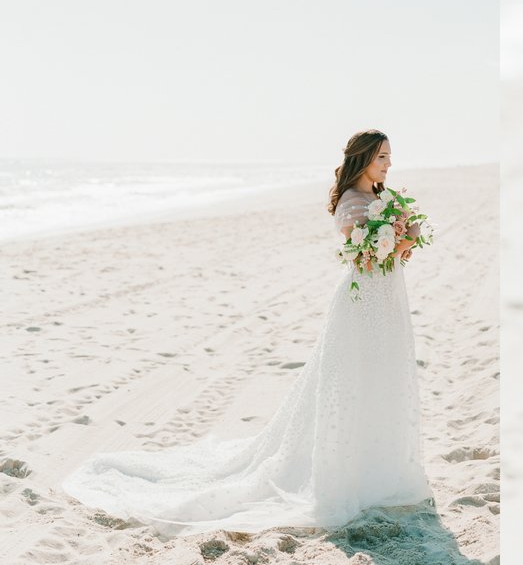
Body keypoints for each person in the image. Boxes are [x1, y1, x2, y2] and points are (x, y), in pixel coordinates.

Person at [62, 128, 432, 535]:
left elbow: (391, 256)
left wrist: (404, 239)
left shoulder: (385, 199)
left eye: (390, 157)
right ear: (363, 160)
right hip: (362, 306)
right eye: (382, 157)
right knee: (353, 381)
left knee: (383, 378)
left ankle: (379, 464)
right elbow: (364, 262)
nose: (389, 164)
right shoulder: (352, 203)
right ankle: (348, 470)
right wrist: (397, 242)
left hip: (389, 301)